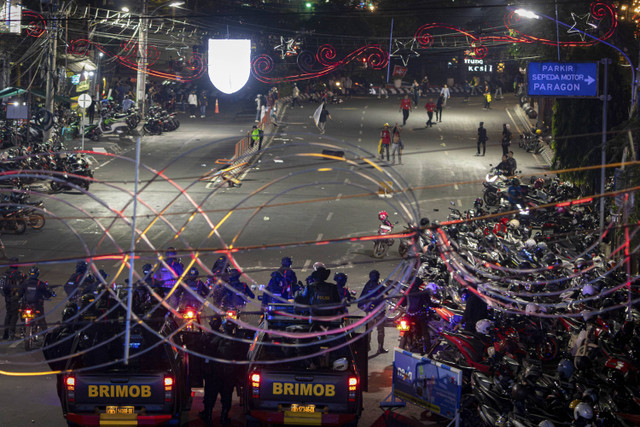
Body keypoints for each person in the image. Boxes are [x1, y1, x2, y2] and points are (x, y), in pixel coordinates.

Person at [359, 270, 387, 353]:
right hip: (379, 312)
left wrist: (366, 309)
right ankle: (380, 348)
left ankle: (367, 347)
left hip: (370, 313)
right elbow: (386, 295)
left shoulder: (367, 285)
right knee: (381, 331)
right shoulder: (380, 286)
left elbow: (361, 298)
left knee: (369, 331)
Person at [400, 277, 431, 354]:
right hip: (418, 317)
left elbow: (402, 303)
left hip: (408, 316)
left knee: (403, 329)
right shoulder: (422, 293)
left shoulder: (407, 292)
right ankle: (429, 352)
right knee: (425, 332)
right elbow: (428, 304)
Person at [21, 266, 54, 331]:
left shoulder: (25, 283)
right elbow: (47, 294)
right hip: (37, 305)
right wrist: (50, 294)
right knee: (42, 320)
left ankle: (23, 329)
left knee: (22, 314)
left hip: (26, 304)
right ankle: (45, 336)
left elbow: (20, 293)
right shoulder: (40, 284)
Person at [2, 260, 25, 340]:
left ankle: (5, 333)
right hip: (15, 297)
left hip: (7, 297)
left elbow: (2, 286)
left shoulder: (6, 274)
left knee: (8, 314)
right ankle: (12, 334)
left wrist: (6, 295)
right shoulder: (19, 274)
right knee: (14, 315)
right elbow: (23, 286)